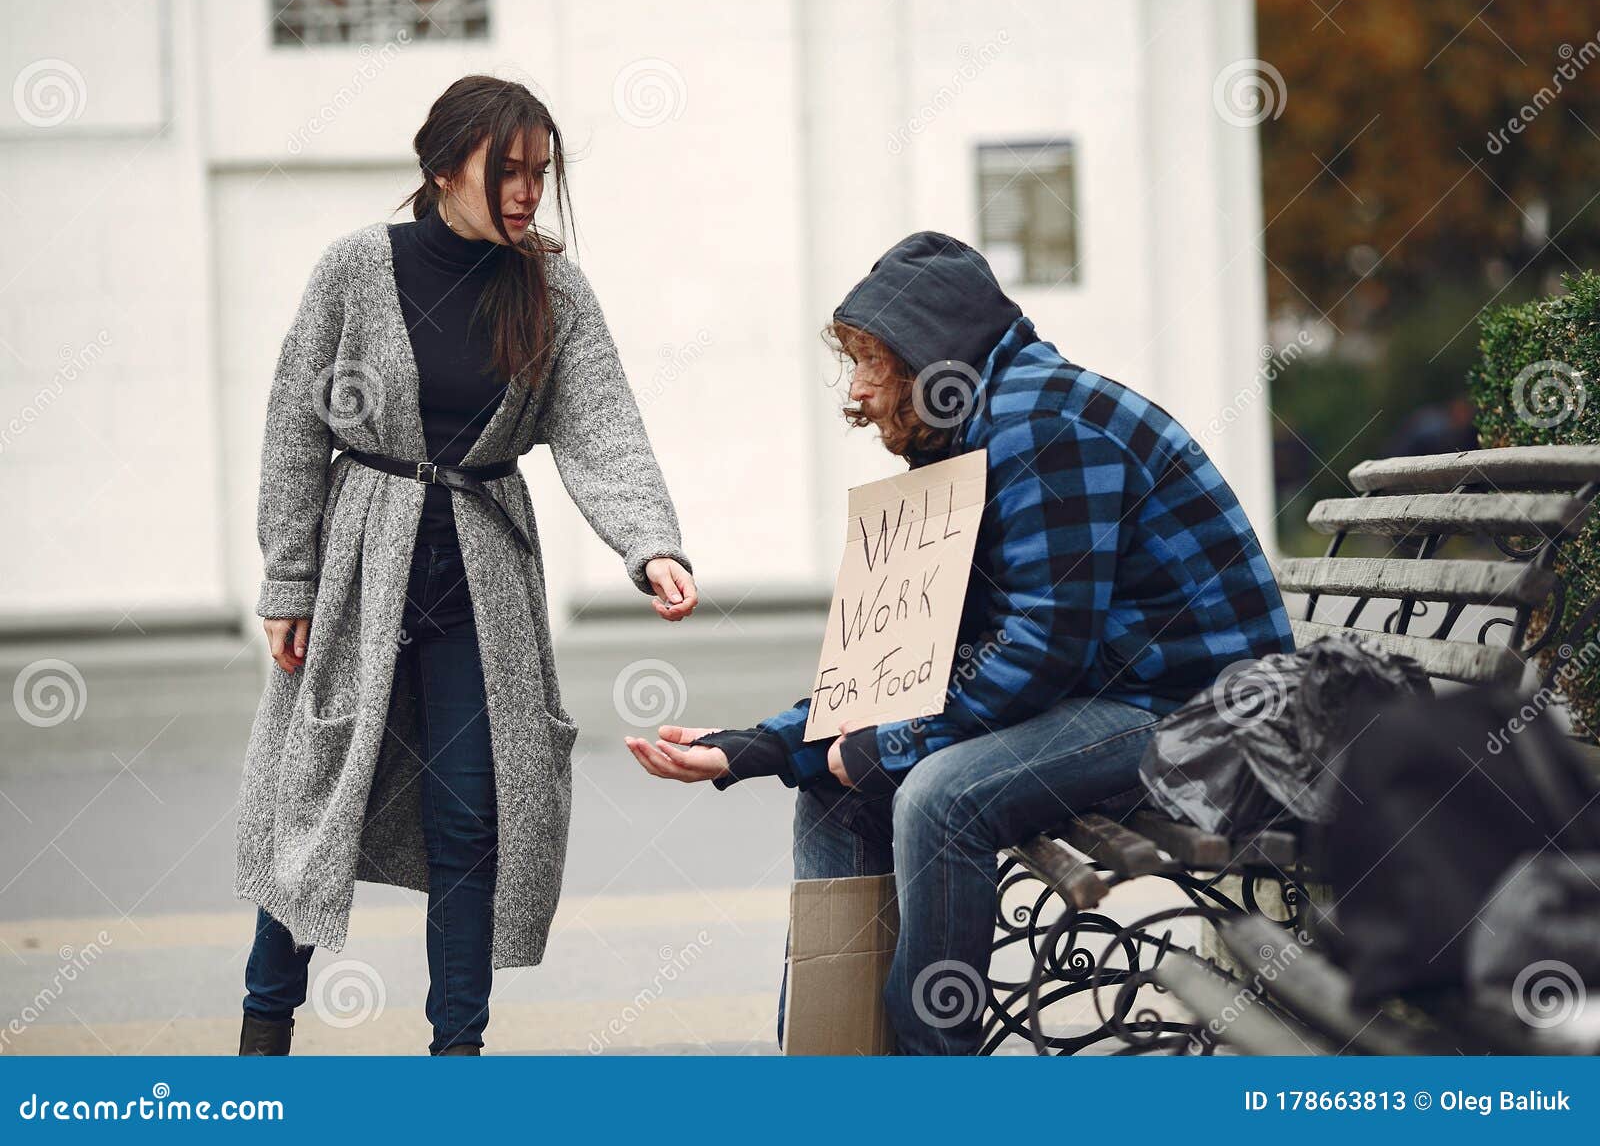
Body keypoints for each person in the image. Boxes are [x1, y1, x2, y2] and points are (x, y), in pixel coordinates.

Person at [625, 230, 1293, 1054]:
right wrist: (759, 746)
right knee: (842, 789)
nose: (860, 392)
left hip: (1199, 712)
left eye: (874, 363)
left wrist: (892, 744)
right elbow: (899, 662)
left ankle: (925, 1082)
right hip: (1104, 694)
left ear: (930, 359)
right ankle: (834, 1060)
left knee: (941, 792)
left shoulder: (1043, 425)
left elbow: (1045, 647)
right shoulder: (967, 439)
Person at [237, 76, 697, 1056]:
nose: (528, 190)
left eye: (541, 172)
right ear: (444, 165)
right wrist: (288, 579)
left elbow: (601, 425)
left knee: (469, 818)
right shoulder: (356, 268)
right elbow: (293, 425)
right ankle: (261, 1037)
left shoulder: (553, 287)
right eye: (510, 170)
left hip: (479, 580)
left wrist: (648, 541)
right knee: (314, 800)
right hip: (361, 564)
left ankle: (457, 1059)